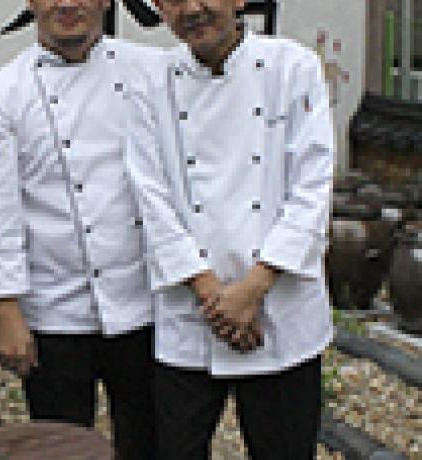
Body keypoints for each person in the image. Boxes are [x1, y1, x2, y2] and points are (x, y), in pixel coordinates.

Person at [124, 0, 334, 459]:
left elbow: (312, 186)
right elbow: (150, 195)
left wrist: (252, 290)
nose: (193, 9)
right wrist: (213, 295)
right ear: (160, 9)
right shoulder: (149, 82)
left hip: (281, 309)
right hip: (192, 312)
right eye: (175, 0)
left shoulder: (292, 66)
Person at [0, 0, 158, 457]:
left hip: (144, 302)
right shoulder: (2, 92)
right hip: (54, 308)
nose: (68, 4)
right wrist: (7, 312)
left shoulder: (150, 71)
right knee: (61, 445)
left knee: (151, 440)